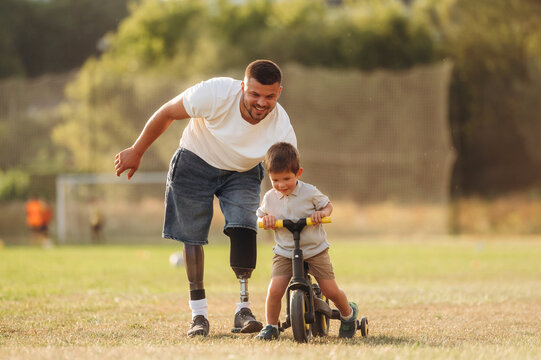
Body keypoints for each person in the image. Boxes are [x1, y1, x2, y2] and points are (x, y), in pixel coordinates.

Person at [114, 60, 297, 337]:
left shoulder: (281, 125)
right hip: (195, 161)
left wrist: (300, 207)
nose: (262, 102)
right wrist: (137, 150)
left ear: (279, 92)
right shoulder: (214, 93)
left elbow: (289, 172)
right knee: (192, 234)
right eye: (255, 94)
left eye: (269, 96)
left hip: (242, 171)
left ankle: (243, 310)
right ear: (242, 87)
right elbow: (167, 113)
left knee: (244, 226)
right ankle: (198, 315)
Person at [255, 142, 358, 340]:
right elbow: (260, 216)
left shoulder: (309, 192)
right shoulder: (269, 198)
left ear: (298, 173)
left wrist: (322, 213)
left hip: (314, 250)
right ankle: (270, 326)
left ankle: (348, 314)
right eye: (275, 180)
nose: (282, 184)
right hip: (285, 251)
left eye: (287, 178)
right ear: (269, 177)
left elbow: (328, 205)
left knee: (330, 289)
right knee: (275, 289)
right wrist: (265, 220)